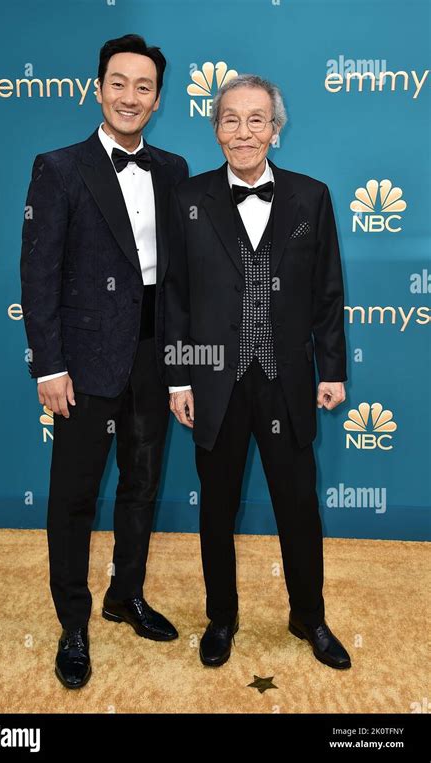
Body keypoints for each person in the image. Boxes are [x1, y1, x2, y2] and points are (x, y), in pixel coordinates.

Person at [164, 74, 351, 670]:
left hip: (287, 382)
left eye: (256, 120)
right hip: (215, 381)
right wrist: (179, 377)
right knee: (215, 508)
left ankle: (309, 617)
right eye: (230, 120)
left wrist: (333, 369)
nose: (242, 133)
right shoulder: (188, 200)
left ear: (276, 128)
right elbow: (175, 298)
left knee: (299, 506)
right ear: (215, 127)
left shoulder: (311, 197)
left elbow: (327, 293)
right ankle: (222, 617)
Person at [20, 34, 188, 689]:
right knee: (73, 498)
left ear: (157, 98)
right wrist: (48, 365)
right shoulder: (59, 167)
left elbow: (177, 279)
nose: (130, 96)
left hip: (153, 356)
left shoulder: (173, 170)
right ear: (98, 88)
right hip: (84, 361)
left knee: (142, 487)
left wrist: (179, 369)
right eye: (118, 82)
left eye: (143, 87)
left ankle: (126, 595)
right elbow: (39, 274)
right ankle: (73, 622)